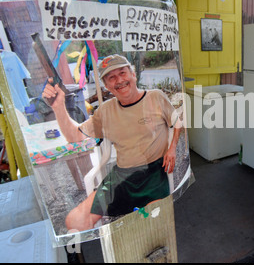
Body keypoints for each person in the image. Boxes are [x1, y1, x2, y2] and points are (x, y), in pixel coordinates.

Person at [42, 54, 182, 231]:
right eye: (111, 77)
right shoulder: (105, 111)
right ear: (106, 85)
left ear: (133, 75)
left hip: (154, 174)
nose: (119, 80)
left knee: (155, 226)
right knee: (75, 221)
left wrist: (172, 148)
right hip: (121, 177)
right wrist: (58, 107)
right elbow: (75, 137)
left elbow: (177, 122)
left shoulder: (156, 97)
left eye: (123, 73)